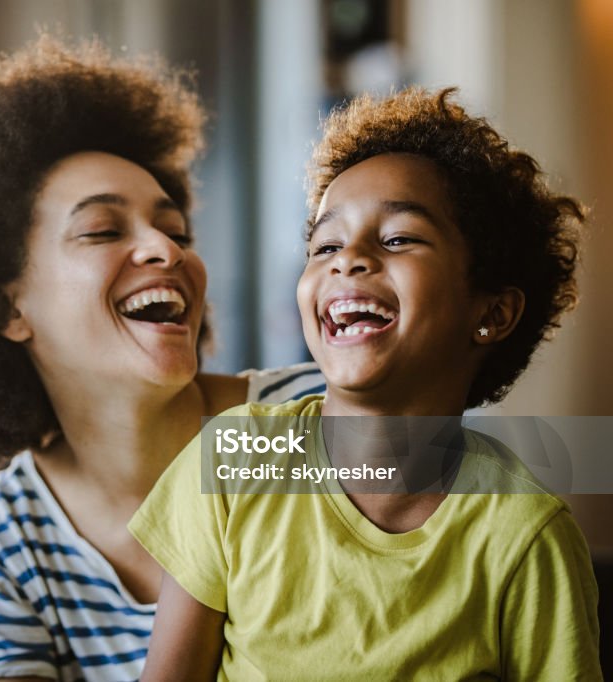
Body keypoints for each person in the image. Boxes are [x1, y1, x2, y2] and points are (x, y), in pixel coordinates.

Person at [0, 36, 324, 681]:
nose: (165, 248)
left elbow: (487, 502)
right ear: (6, 310)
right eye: (103, 229)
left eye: (177, 230)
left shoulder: (307, 420)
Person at [130, 88, 601, 680]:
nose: (346, 258)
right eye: (325, 244)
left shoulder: (527, 537)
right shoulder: (235, 461)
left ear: (493, 313)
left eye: (399, 238)